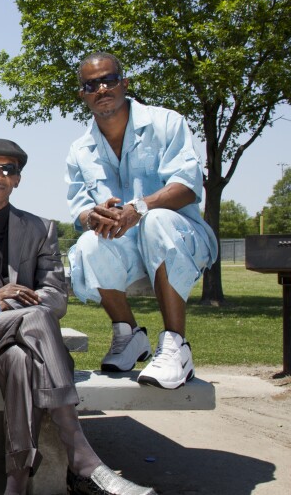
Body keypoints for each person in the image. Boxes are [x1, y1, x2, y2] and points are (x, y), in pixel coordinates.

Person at [0, 138, 155, 495]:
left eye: (8, 169)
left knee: (19, 359)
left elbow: (56, 298)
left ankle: (15, 482)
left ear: (18, 180)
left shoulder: (41, 229)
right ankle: (81, 456)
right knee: (37, 320)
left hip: (23, 344)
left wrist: (1, 307)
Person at [66, 52, 218, 389]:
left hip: (181, 238)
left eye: (108, 79)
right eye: (91, 84)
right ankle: (128, 333)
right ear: (83, 94)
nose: (101, 88)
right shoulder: (80, 149)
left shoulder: (167, 123)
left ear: (124, 82)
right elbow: (78, 208)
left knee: (156, 220)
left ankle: (176, 346)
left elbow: (187, 187)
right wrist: (93, 215)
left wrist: (140, 207)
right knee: (90, 242)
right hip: (127, 248)